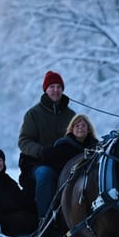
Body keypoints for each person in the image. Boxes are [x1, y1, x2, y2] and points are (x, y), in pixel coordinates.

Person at [17, 70, 76, 212]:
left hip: (65, 162)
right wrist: (41, 151)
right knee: (46, 175)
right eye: (52, 87)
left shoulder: (71, 115)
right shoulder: (33, 114)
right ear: (45, 90)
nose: (55, 90)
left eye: (58, 87)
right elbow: (24, 141)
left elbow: (80, 136)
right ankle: (44, 219)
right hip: (38, 163)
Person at [33, 114, 100, 217]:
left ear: (89, 129)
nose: (80, 128)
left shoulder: (96, 146)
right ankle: (44, 216)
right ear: (71, 129)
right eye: (77, 126)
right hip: (64, 179)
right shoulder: (63, 144)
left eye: (83, 126)